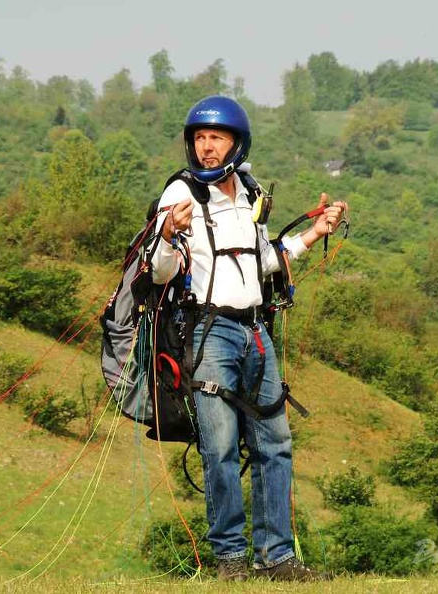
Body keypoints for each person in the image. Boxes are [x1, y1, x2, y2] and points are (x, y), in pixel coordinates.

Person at [150, 95, 347, 582]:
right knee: (219, 445)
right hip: (209, 333)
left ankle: (277, 557)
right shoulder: (179, 195)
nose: (207, 148)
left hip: (256, 331)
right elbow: (158, 274)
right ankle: (231, 560)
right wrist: (168, 239)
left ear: (236, 142)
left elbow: (263, 261)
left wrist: (314, 234)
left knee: (274, 443)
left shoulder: (248, 192)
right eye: (199, 138)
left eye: (216, 138)